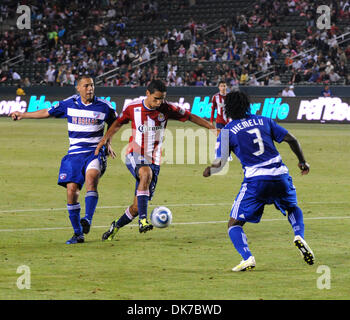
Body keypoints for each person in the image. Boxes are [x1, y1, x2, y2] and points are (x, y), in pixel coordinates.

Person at [203, 90, 315, 271]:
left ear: (227, 109)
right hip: (280, 175)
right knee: (292, 207)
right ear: (247, 105)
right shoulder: (264, 120)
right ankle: (298, 235)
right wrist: (302, 162)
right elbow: (291, 139)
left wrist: (210, 170)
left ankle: (247, 257)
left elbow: (221, 163)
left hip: (256, 182)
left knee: (234, 223)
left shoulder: (227, 131)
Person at [95, 79, 216, 240]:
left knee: (137, 206)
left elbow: (190, 117)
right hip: (134, 153)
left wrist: (212, 128)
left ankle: (116, 226)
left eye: (162, 98)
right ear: (147, 94)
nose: (159, 102)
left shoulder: (168, 108)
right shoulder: (133, 108)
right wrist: (105, 139)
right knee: (145, 173)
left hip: (155, 160)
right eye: (156, 98)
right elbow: (118, 123)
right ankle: (143, 221)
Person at [10, 75, 117, 244]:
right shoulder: (69, 103)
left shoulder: (105, 107)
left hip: (94, 152)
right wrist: (23, 114)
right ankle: (78, 234)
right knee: (71, 191)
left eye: (92, 86)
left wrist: (107, 142)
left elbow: (114, 124)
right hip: (74, 154)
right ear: (78, 88)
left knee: (91, 179)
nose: (90, 89)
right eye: (86, 86)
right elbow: (47, 112)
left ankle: (87, 219)